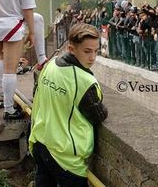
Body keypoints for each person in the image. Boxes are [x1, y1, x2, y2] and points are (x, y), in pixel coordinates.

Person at [29, 23, 108, 186]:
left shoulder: (50, 65)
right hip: (65, 157)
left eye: (96, 51)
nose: (92, 57)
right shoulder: (85, 81)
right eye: (87, 51)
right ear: (72, 49)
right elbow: (98, 115)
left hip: (40, 142)